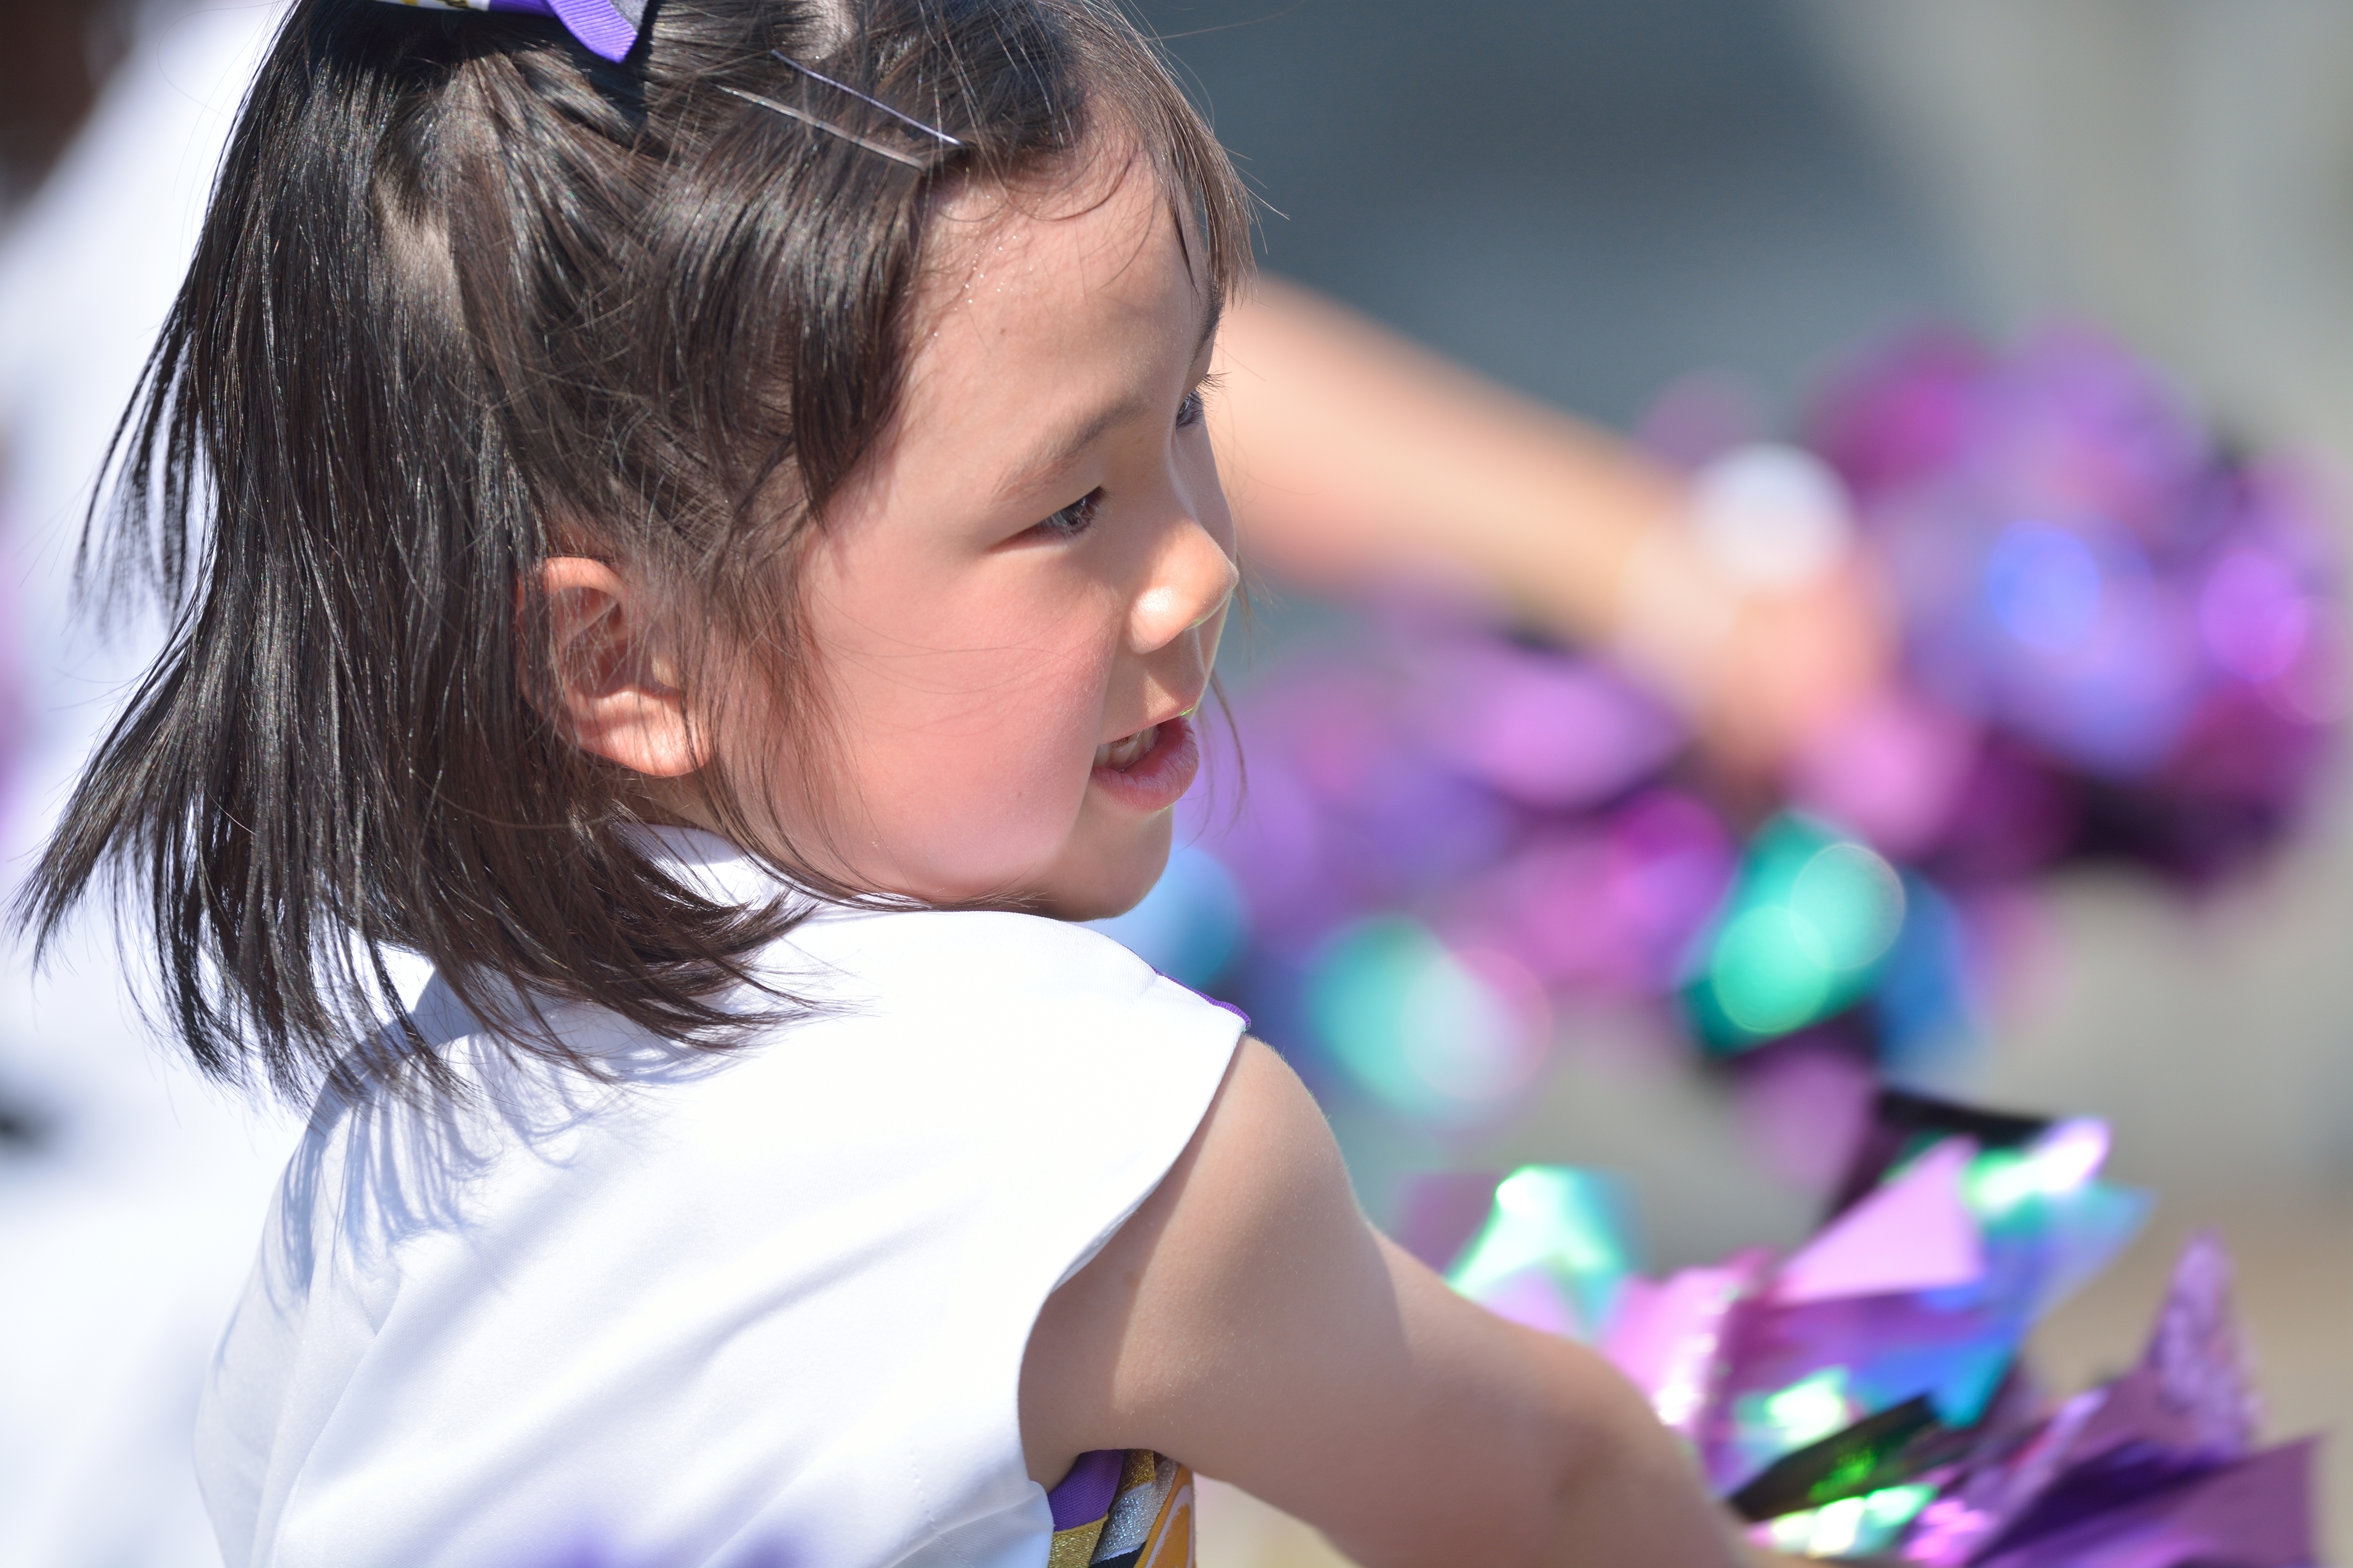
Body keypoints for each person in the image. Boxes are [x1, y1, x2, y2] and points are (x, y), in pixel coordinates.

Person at [18, 0, 1781, 1564]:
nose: (1200, 570)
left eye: (1188, 413)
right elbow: (1546, 1494)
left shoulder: (395, 1150)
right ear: (622, 664)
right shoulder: (1090, 1122)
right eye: (1068, 509)